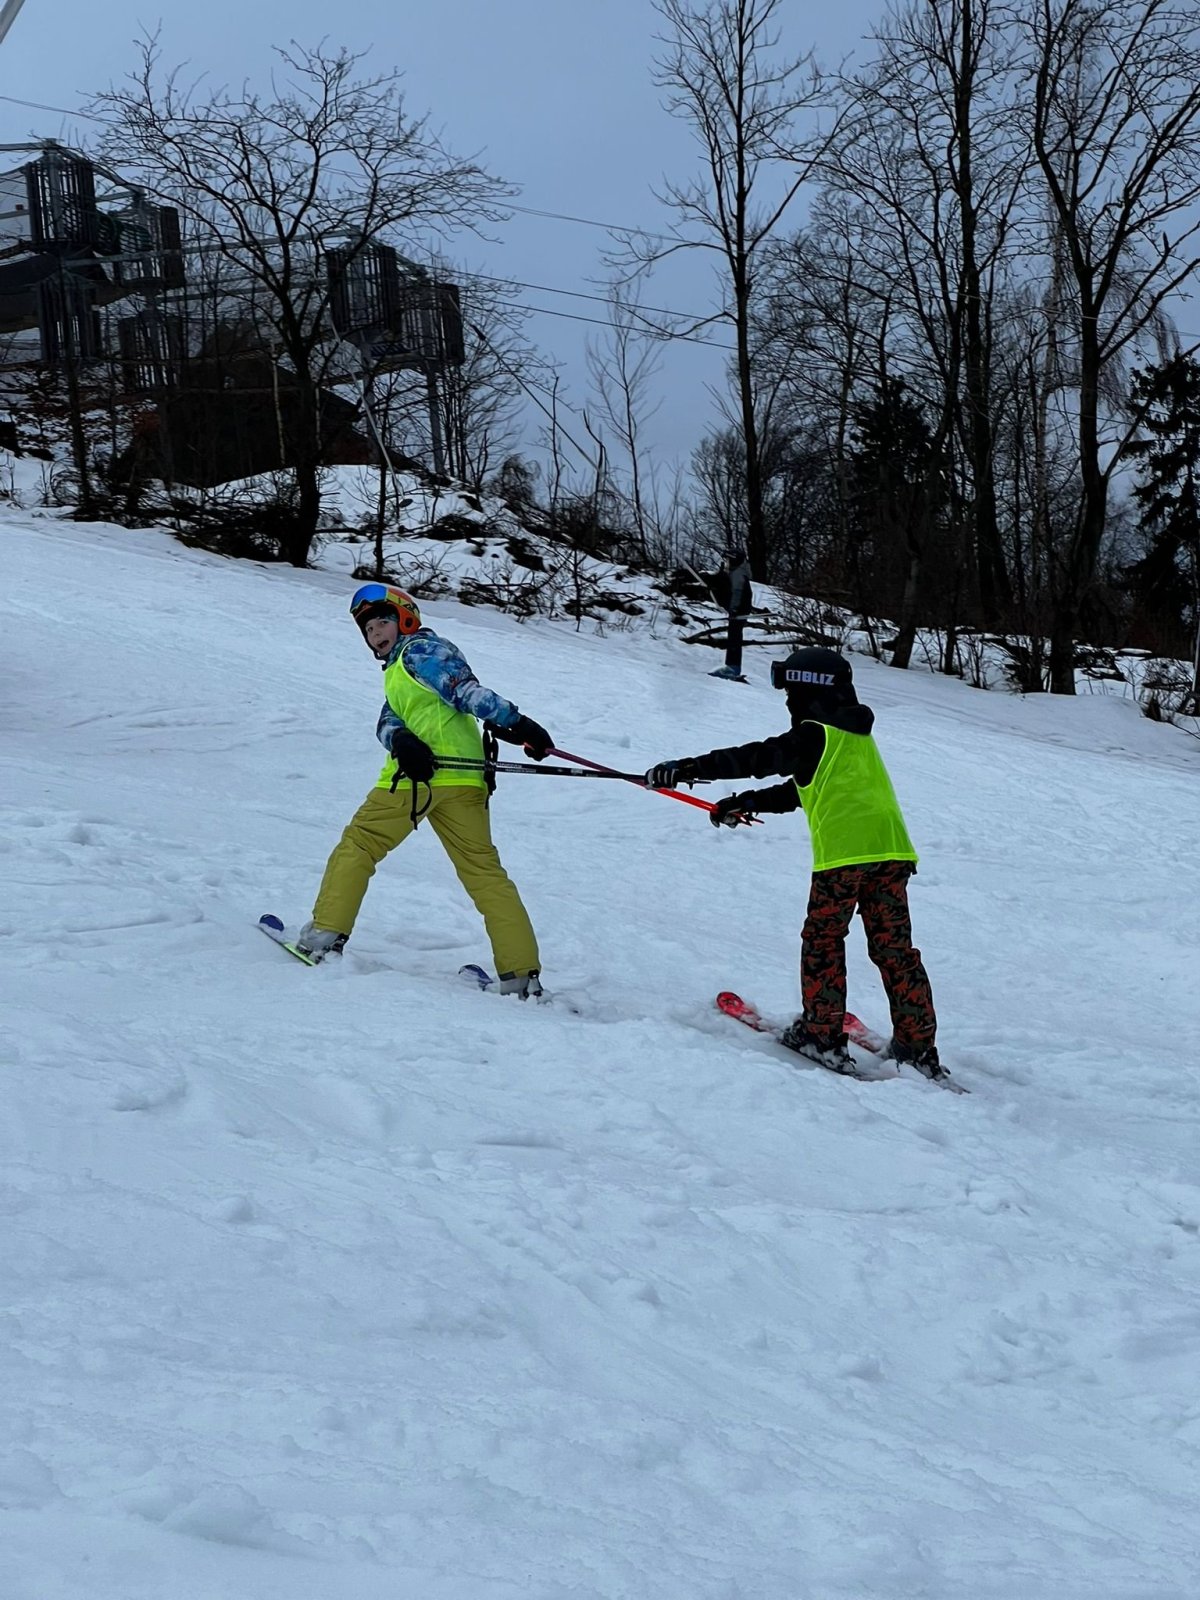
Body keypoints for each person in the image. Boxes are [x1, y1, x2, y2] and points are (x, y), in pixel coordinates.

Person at [645, 646, 949, 1082]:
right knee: (895, 951)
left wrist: (688, 767)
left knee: (824, 941)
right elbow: (802, 789)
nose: (788, 700)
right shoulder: (852, 735)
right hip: (892, 854)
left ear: (809, 689)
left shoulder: (814, 733)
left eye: (790, 690)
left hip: (845, 858)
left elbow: (758, 757)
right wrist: (746, 802)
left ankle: (821, 1035)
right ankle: (917, 1048)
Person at [296, 583, 553, 999]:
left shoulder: (420, 651)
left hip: (418, 781)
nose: (375, 633)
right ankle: (521, 976)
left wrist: (518, 723)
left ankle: (323, 937)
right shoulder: (400, 669)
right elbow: (389, 720)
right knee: (485, 875)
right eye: (367, 630)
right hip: (463, 782)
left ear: (405, 619)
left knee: (359, 844)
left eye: (382, 622)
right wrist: (400, 739)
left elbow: (465, 692)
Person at [707, 548, 753, 681]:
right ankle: (731, 666)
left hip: (739, 610)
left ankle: (733, 667)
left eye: (728, 560)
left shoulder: (738, 574)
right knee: (734, 635)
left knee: (734, 636)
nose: (726, 562)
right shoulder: (736, 572)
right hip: (739, 610)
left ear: (734, 560)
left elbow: (737, 593)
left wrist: (734, 609)